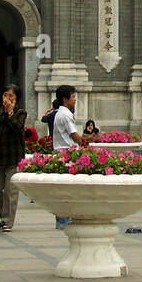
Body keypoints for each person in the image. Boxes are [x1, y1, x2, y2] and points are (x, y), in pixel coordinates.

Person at [0, 84, 27, 232]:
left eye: (11, 96)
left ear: (16, 99)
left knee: (10, 191)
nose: (7, 99)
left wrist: (10, 113)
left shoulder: (20, 113)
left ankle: (7, 221)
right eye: (5, 95)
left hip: (13, 157)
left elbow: (17, 129)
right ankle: (4, 216)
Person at [51, 85, 89, 228]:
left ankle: (63, 218)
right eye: (73, 97)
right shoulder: (66, 115)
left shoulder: (60, 113)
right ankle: (63, 219)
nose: (75, 100)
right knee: (67, 188)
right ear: (65, 99)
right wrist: (84, 142)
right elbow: (73, 135)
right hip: (66, 152)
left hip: (62, 151)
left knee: (64, 187)